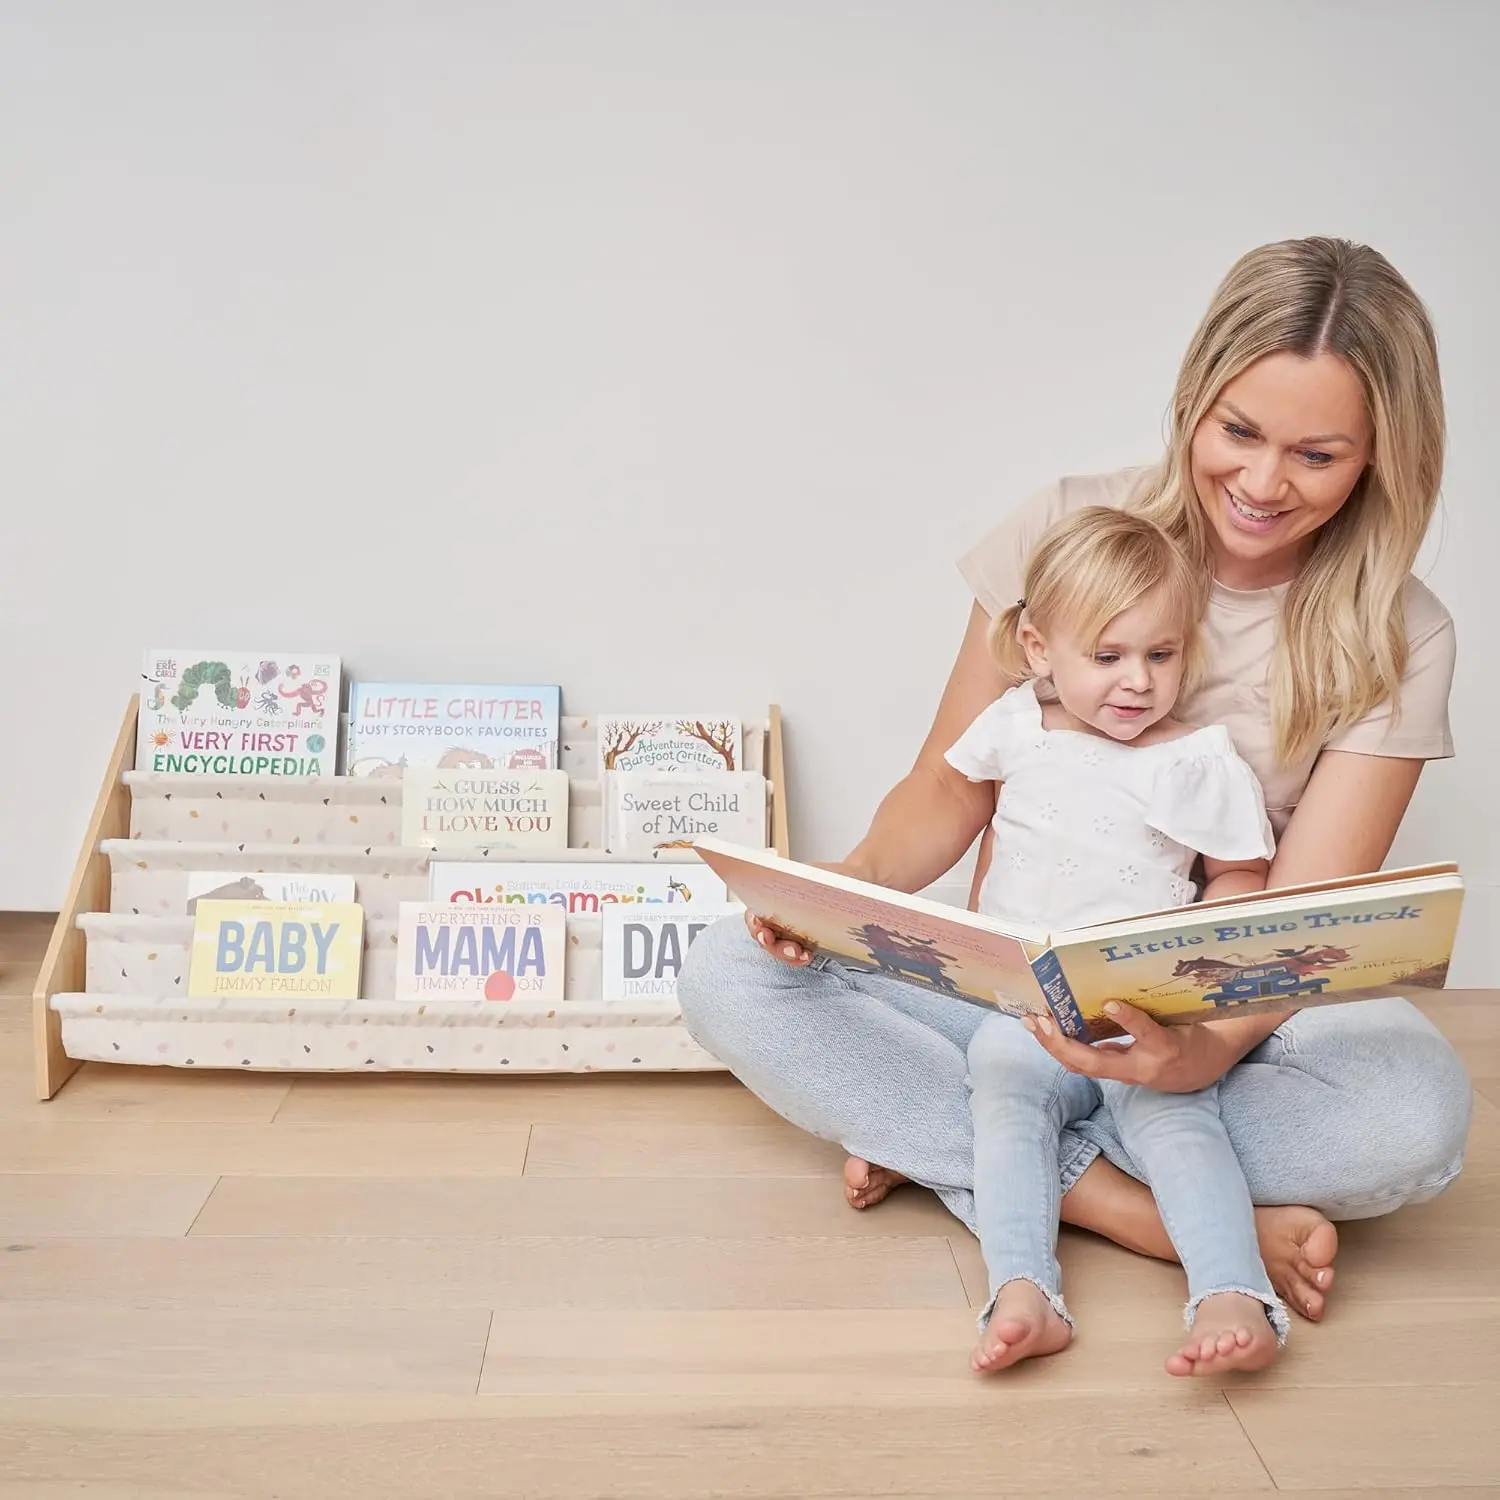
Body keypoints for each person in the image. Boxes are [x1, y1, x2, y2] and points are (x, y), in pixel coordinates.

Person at [675, 234, 1473, 1333]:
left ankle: (969, 1148)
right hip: (1027, 975)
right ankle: (1134, 1211)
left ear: (1382, 455)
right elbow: (948, 788)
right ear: (1195, 396)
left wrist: (1194, 1054)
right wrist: (838, 897)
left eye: (1317, 455)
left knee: (1414, 1119)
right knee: (729, 971)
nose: (1260, 481)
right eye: (1237, 431)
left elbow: (1296, 920)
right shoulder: (1068, 525)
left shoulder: (1400, 631)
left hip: (1231, 997)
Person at [949, 503, 1285, 1379]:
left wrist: (1195, 970)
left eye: (1160, 655)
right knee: (1005, 1097)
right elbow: (970, 830)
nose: (1136, 681)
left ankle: (1231, 1290)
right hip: (1025, 1009)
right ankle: (1022, 1286)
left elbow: (1240, 881)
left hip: (1144, 1016)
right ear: (1037, 649)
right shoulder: (1018, 726)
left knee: (1182, 1124)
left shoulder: (1197, 757)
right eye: (1107, 657)